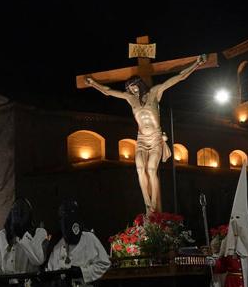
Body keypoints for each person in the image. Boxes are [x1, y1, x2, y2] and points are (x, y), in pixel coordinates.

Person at [85, 54, 207, 214]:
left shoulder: (155, 92)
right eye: (129, 88)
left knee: (150, 169)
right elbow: (108, 91)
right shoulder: (130, 99)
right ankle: (148, 204)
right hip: (141, 139)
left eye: (134, 86)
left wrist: (196, 64)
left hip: (156, 138)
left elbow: (178, 77)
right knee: (139, 168)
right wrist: (93, 83)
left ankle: (155, 204)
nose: (132, 90)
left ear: (140, 84)